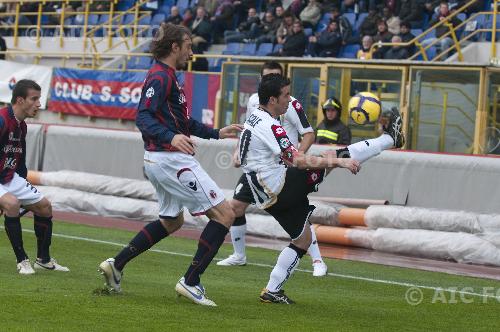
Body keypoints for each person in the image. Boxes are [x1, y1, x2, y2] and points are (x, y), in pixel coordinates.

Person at [98, 23, 242, 307]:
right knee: (225, 214)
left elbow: (182, 123)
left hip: (160, 160)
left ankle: (117, 264)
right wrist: (172, 137)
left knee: (172, 220)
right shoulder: (160, 77)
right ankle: (191, 281)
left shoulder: (169, 77)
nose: (192, 51)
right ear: (175, 47)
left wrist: (216, 133)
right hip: (170, 160)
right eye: (188, 45)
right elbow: (143, 118)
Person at [241, 74, 404, 303]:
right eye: (286, 95)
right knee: (335, 156)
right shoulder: (271, 125)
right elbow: (297, 160)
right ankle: (390, 139)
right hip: (279, 187)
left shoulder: (255, 117)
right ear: (272, 100)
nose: (289, 100)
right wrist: (339, 163)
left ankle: (272, 291)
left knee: (303, 239)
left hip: (265, 191)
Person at [217, 61, 329, 277]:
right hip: (260, 169)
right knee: (236, 207)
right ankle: (239, 255)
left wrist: (297, 156)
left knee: (299, 212)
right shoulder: (255, 103)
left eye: (276, 76)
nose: (272, 80)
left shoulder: (292, 104)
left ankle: (317, 260)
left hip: (284, 167)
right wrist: (238, 151)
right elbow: (248, 130)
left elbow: (308, 133)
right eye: (268, 77)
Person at [0, 79, 69, 274]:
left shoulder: (21, 125)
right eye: (35, 99)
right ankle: (22, 261)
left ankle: (44, 260)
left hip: (8, 177)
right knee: (12, 204)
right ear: (20, 100)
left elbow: (19, 161)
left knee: (44, 206)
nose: (39, 104)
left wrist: (22, 184)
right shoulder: (2, 120)